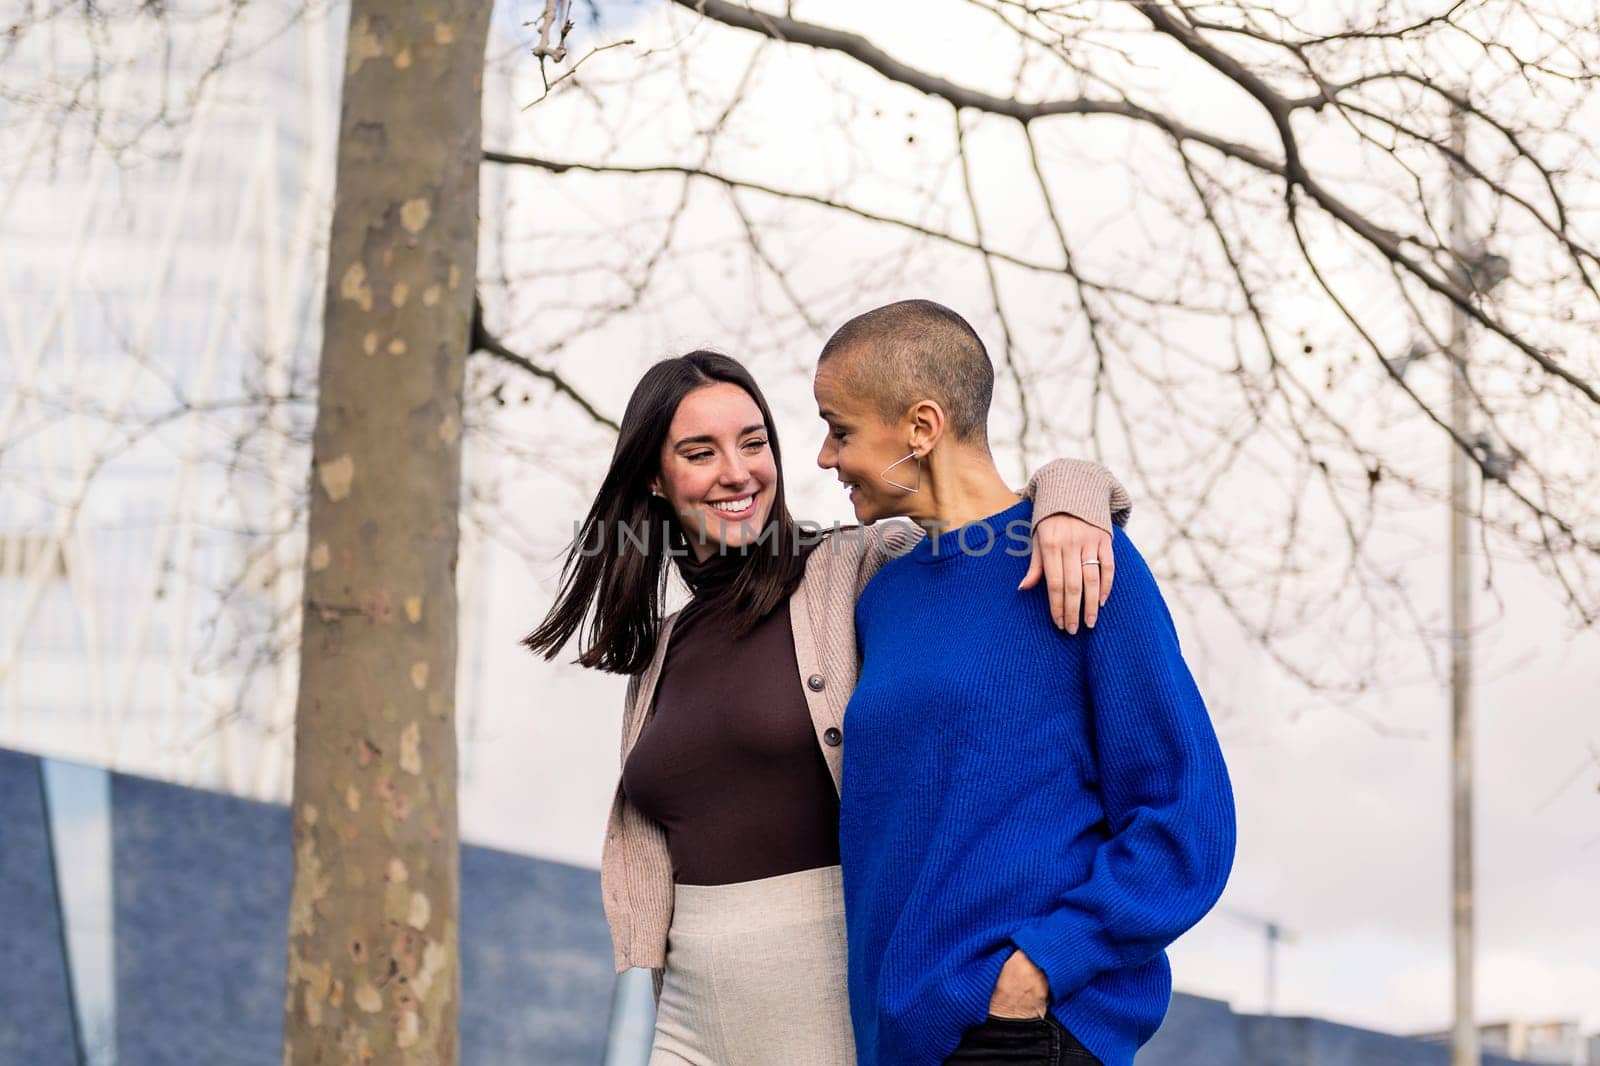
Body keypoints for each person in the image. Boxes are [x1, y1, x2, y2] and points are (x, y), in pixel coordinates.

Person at [524, 349, 1131, 1065]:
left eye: (754, 442)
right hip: (685, 1019)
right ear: (656, 480)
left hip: (828, 1009)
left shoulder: (850, 567)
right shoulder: (663, 650)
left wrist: (1072, 492)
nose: (738, 470)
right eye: (701, 451)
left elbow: (977, 513)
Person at [812, 300, 1235, 1066]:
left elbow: (1185, 820)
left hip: (1016, 1033)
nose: (824, 457)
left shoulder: (1085, 564)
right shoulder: (883, 597)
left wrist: (1041, 968)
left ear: (921, 426)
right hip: (897, 1042)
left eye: (840, 430)